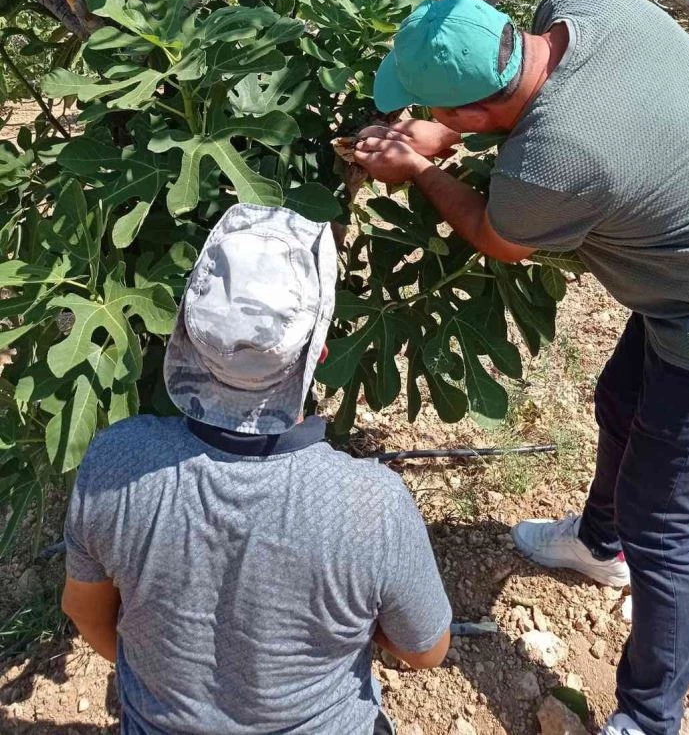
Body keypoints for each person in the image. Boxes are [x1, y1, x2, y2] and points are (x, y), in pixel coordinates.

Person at [353, 0, 689, 735]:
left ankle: (651, 718)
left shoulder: (557, 158)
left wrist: (423, 169)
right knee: (620, 402)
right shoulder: (589, 4)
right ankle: (599, 543)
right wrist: (441, 134)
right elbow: (527, 119)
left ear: (468, 114)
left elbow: (500, 235)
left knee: (666, 525)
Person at [61, 204, 451, 735]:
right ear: (318, 353)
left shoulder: (116, 463)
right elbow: (426, 650)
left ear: (190, 336)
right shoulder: (371, 504)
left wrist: (161, 688)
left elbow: (85, 613)